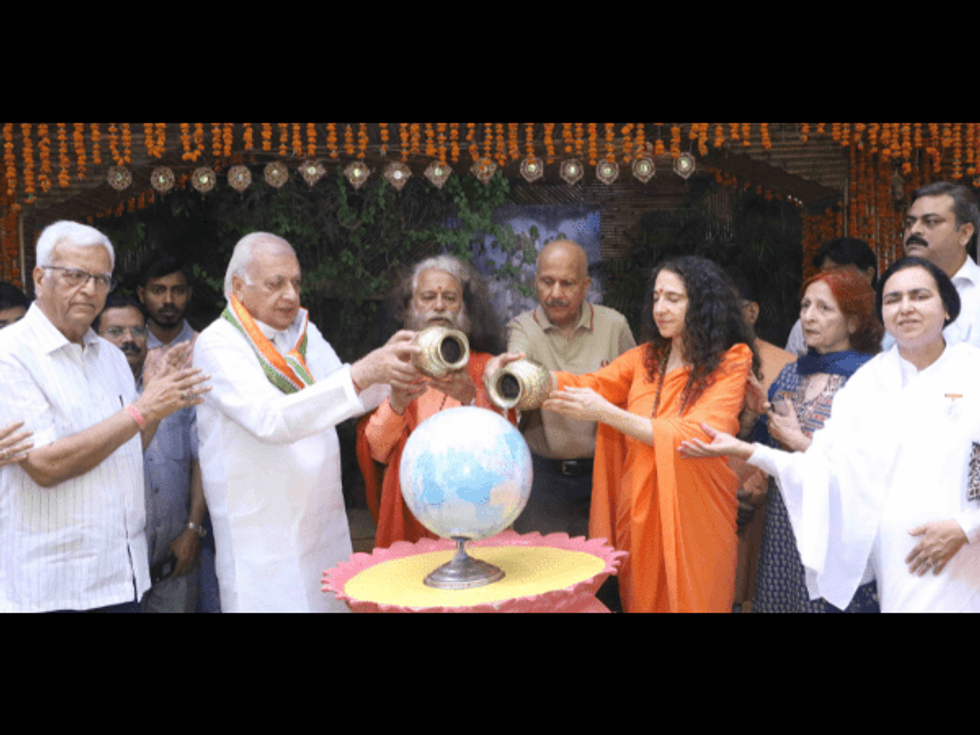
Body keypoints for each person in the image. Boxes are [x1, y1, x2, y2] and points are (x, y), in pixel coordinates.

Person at [681, 257, 980, 612]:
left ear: (947, 307)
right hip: (894, 559)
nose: (906, 308)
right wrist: (748, 449)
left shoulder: (971, 370)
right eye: (893, 299)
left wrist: (966, 527)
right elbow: (825, 467)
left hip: (966, 554)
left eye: (919, 296)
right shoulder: (870, 382)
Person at [487, 255, 758, 613]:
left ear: (704, 304)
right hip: (641, 514)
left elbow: (697, 435)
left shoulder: (731, 362)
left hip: (698, 518)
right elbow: (586, 384)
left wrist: (609, 414)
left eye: (673, 299)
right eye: (657, 297)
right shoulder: (645, 358)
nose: (660, 308)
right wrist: (516, 377)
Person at [194, 231, 421, 612]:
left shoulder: (301, 331)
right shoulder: (218, 343)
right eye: (276, 283)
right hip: (262, 542)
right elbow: (272, 420)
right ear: (238, 287)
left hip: (321, 528)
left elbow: (347, 395)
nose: (291, 295)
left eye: (296, 282)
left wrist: (394, 379)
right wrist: (366, 371)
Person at [0, 220, 210, 613]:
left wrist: (155, 403)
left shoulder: (110, 357)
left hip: (121, 575)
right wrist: (142, 408)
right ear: (39, 277)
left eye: (101, 279)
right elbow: (45, 465)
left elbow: (129, 446)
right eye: (75, 275)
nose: (90, 289)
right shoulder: (9, 354)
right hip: (52, 584)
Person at [745, 267, 884, 612]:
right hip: (784, 522)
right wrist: (752, 414)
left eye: (824, 308)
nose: (808, 317)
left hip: (836, 526)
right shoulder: (794, 371)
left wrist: (798, 441)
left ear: (853, 321)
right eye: (805, 306)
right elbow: (765, 444)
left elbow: (869, 463)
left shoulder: (870, 377)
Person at [357, 254, 515, 548]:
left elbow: (508, 452)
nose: (439, 306)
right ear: (408, 308)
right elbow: (376, 454)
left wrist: (471, 396)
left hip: (477, 514)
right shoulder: (389, 366)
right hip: (411, 518)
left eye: (450, 298)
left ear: (465, 309)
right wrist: (396, 404)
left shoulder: (487, 367)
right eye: (428, 297)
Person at [506, 239, 635, 539]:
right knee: (544, 573)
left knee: (606, 572)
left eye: (567, 284)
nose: (555, 294)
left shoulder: (614, 326)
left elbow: (636, 391)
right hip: (543, 478)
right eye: (547, 282)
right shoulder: (523, 327)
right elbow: (518, 367)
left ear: (586, 285)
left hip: (604, 474)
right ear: (535, 281)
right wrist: (509, 373)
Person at [96, 293, 207, 613]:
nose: (128, 339)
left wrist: (193, 530)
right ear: (95, 338)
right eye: (115, 332)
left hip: (174, 563)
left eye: (137, 330)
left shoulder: (173, 390)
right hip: (113, 573)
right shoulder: (86, 401)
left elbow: (200, 459)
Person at [137, 249, 220, 612]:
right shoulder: (121, 350)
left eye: (178, 290)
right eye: (158, 290)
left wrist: (193, 528)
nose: (168, 300)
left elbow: (207, 448)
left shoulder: (208, 350)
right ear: (142, 294)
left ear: (189, 294)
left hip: (178, 530)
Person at [728, 272, 796, 611]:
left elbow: (793, 443)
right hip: (709, 501)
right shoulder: (693, 362)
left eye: (727, 308)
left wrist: (758, 490)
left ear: (751, 312)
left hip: (763, 505)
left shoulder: (786, 365)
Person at [901, 180, 980, 348]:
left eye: (930, 222)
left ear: (965, 233)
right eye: (910, 222)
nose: (914, 230)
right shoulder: (895, 292)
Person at [785, 237, 878, 356]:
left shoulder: (890, 319)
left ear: (868, 275)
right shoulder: (806, 324)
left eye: (839, 273)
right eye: (825, 273)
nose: (830, 281)